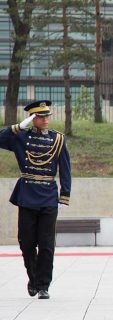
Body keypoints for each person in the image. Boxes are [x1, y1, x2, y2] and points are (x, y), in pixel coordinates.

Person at [0, 100, 71, 300]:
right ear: (33, 119)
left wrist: (64, 196)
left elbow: (65, 169)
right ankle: (33, 277)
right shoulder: (21, 137)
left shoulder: (58, 140)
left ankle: (43, 286)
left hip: (48, 196)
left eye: (47, 116)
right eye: (41, 116)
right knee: (26, 242)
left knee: (47, 245)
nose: (46, 119)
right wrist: (17, 127)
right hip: (27, 195)